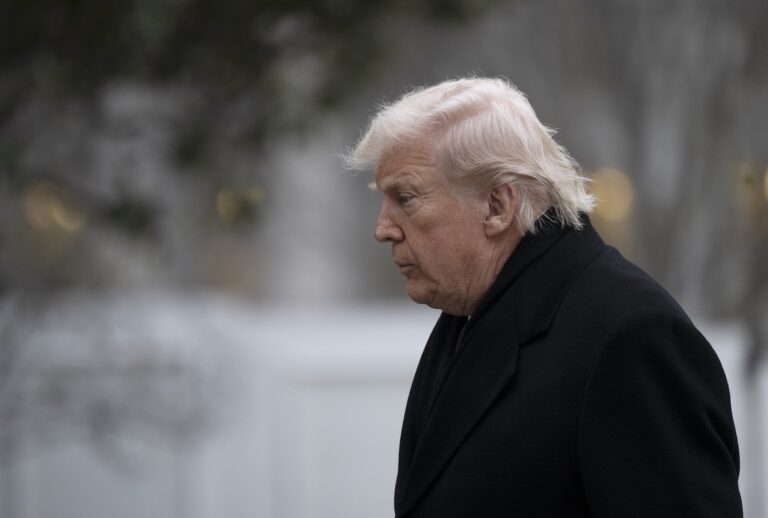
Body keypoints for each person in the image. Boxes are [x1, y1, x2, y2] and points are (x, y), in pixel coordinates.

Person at [345, 77, 742, 517]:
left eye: (406, 197)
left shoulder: (632, 336)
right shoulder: (469, 314)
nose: (383, 229)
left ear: (497, 206)